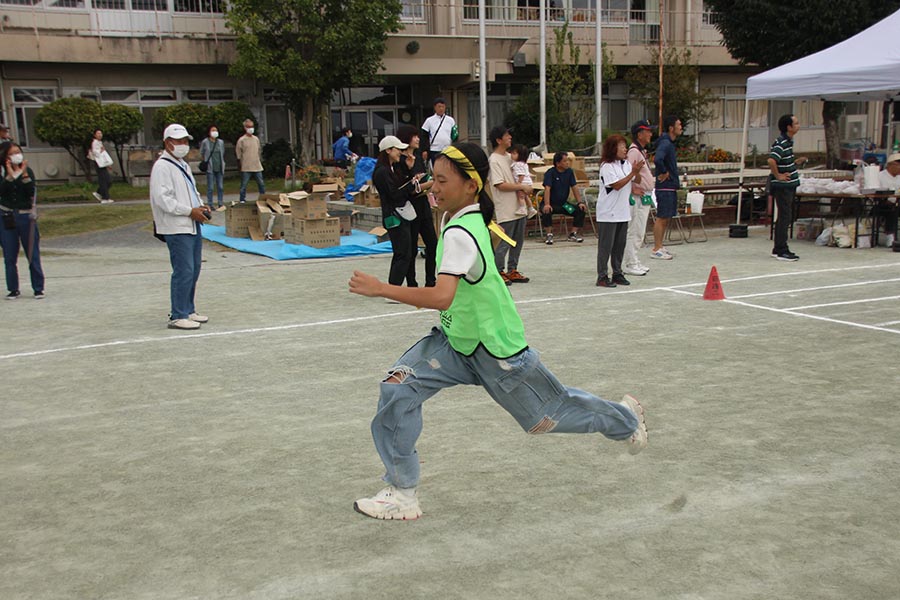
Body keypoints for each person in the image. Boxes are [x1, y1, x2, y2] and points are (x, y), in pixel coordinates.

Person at [347, 142, 648, 521]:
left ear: (470, 186)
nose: (433, 187)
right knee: (398, 387)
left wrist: (381, 288)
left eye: (442, 180)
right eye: (432, 178)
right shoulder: (462, 217)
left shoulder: (461, 230)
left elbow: (441, 296)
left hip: (497, 351)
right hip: (457, 343)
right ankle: (403, 493)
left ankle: (625, 420)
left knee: (547, 417)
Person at [150, 124, 211, 331]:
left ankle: (188, 308)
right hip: (176, 226)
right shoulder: (162, 167)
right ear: (168, 143)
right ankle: (178, 314)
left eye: (185, 141)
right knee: (183, 270)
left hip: (191, 224)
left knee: (194, 269)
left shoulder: (182, 164)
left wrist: (200, 206)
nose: (183, 145)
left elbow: (192, 191)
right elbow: (163, 199)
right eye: (179, 141)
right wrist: (189, 211)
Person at [596, 135, 643, 288]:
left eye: (625, 146)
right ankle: (602, 276)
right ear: (612, 149)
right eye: (621, 146)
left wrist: (637, 171)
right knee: (606, 247)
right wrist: (632, 173)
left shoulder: (626, 164)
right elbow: (616, 185)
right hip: (608, 213)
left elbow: (637, 180)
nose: (625, 149)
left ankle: (617, 273)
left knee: (619, 245)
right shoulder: (607, 166)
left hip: (623, 211)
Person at [489, 127, 533, 284]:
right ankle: (498, 270)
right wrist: (522, 187)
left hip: (519, 207)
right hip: (506, 208)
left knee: (518, 241)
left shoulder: (511, 157)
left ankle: (512, 269)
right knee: (504, 242)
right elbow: (499, 184)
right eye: (506, 135)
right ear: (498, 140)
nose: (510, 137)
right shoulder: (494, 160)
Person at [0, 143, 44, 299]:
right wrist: (9, 175)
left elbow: (31, 191)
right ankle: (13, 288)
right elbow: (2, 191)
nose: (16, 156)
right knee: (9, 254)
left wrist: (23, 174)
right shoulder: (2, 172)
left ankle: (38, 288)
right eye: (12, 153)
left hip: (26, 216)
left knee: (32, 253)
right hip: (6, 215)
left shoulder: (27, 170)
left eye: (18, 152)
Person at [372, 134, 416, 290]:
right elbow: (394, 194)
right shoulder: (382, 172)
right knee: (402, 253)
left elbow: (400, 186)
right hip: (393, 216)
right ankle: (393, 288)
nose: (400, 153)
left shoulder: (392, 168)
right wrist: (411, 186)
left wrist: (410, 173)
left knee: (404, 252)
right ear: (388, 150)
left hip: (398, 214)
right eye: (398, 150)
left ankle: (394, 287)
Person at [396, 125, 437, 287]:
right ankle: (411, 283)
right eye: (415, 136)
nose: (418, 139)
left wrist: (427, 183)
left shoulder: (418, 157)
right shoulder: (399, 160)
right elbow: (408, 187)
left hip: (423, 206)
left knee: (433, 244)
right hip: (409, 208)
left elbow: (421, 179)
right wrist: (429, 183)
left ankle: (431, 281)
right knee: (411, 249)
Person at [768, 114, 807, 262]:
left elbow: (782, 161)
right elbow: (772, 160)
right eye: (796, 123)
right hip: (783, 187)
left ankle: (778, 248)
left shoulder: (788, 142)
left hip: (789, 185)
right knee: (785, 216)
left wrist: (795, 162)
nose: (798, 126)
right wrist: (778, 176)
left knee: (784, 216)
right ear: (788, 127)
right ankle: (781, 249)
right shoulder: (781, 142)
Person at [623, 120, 655, 276]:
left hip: (644, 195)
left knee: (639, 230)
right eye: (647, 131)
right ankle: (630, 262)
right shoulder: (634, 152)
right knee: (635, 230)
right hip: (637, 196)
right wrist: (632, 187)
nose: (650, 134)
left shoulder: (640, 151)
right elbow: (627, 172)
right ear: (639, 134)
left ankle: (634, 259)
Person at [652, 116, 682, 260]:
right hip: (665, 187)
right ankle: (656, 248)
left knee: (666, 217)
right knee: (662, 217)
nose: (681, 127)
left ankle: (660, 245)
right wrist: (664, 172)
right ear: (671, 128)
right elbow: (657, 159)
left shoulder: (669, 143)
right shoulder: (665, 143)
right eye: (678, 124)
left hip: (670, 186)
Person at [541, 151, 587, 245]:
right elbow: (547, 189)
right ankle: (549, 234)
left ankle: (573, 234)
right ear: (558, 163)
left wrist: (580, 202)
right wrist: (547, 204)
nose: (567, 163)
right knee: (546, 211)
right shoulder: (550, 173)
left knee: (580, 210)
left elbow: (574, 187)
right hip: (551, 204)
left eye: (568, 160)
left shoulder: (569, 172)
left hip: (563, 205)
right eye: (565, 161)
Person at [236, 118, 265, 203]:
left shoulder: (256, 139)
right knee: (244, 185)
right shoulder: (241, 140)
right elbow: (238, 154)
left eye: (252, 126)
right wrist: (240, 164)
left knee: (261, 183)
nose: (251, 128)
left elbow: (259, 151)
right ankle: (242, 199)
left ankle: (263, 197)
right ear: (245, 128)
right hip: (246, 166)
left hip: (257, 166)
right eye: (249, 127)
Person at [421, 97, 456, 165]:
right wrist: (425, 150)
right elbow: (424, 136)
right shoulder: (429, 120)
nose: (441, 109)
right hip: (434, 150)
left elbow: (454, 135)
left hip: (447, 150)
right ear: (435, 107)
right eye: (439, 107)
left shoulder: (450, 120)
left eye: (443, 107)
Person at [199, 124, 226, 211]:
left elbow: (222, 153)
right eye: (213, 130)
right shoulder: (205, 142)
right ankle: (210, 204)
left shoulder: (220, 142)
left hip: (219, 167)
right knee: (210, 187)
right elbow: (202, 153)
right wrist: (205, 161)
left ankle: (220, 203)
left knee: (220, 187)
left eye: (216, 130)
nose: (215, 132)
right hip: (210, 168)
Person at [509, 143, 538, 219]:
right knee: (526, 197)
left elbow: (521, 175)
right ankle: (531, 208)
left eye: (514, 153)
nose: (511, 155)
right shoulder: (524, 164)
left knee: (520, 196)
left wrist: (519, 183)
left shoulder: (518, 164)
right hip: (528, 183)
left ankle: (522, 208)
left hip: (523, 183)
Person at [88, 128, 113, 204]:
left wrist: (108, 164)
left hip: (103, 163)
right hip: (98, 164)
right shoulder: (94, 143)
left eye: (101, 133)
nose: (100, 135)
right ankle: (105, 198)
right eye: (98, 133)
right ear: (95, 135)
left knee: (108, 181)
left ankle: (99, 192)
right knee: (103, 181)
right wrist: (101, 151)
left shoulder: (100, 142)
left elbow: (104, 155)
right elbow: (95, 153)